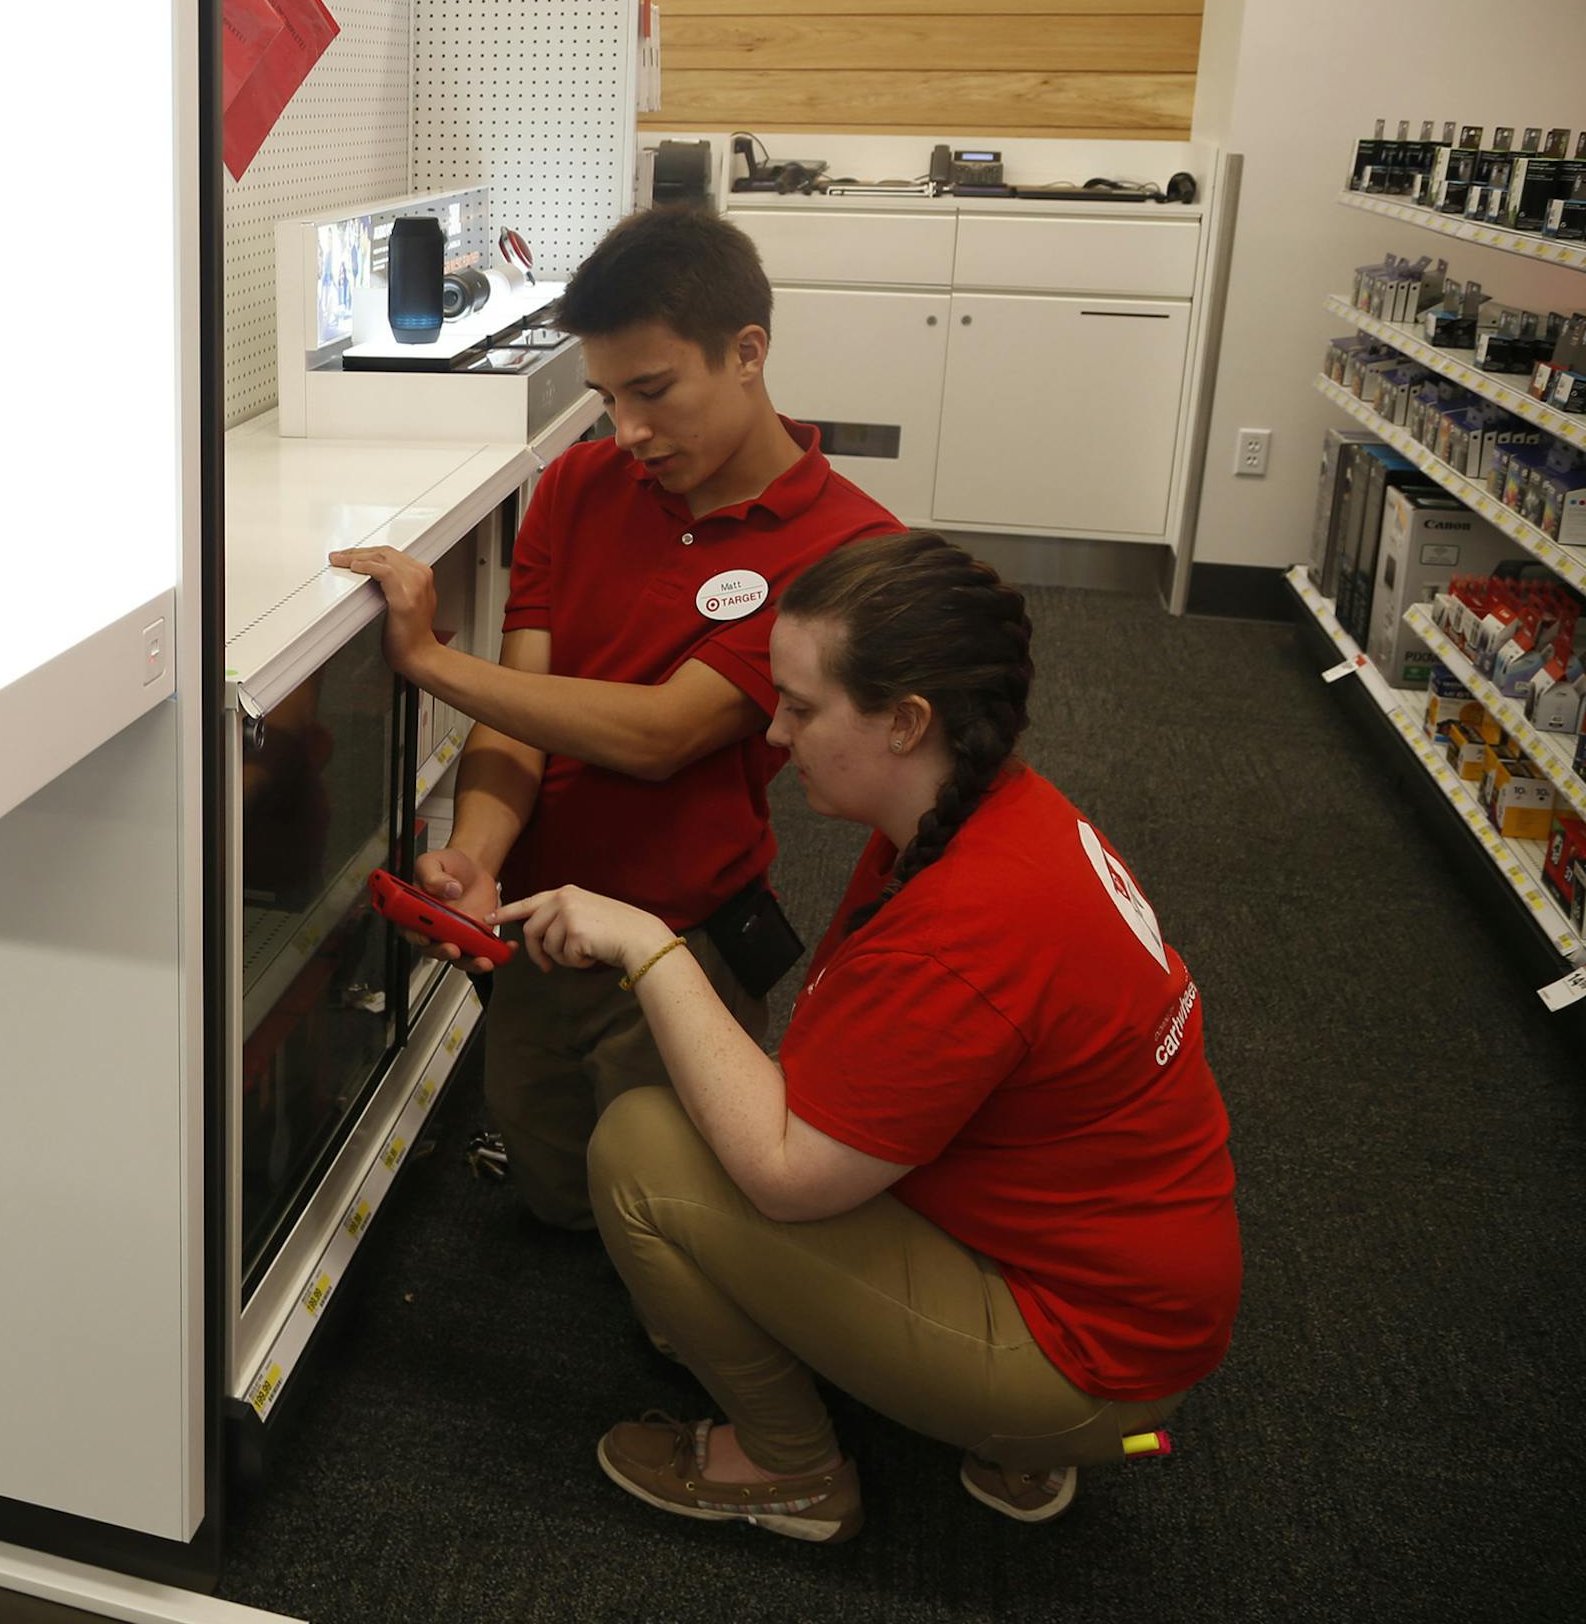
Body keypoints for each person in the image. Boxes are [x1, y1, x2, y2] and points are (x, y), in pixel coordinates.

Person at [493, 530, 1242, 1544]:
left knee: (641, 1148)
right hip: (1127, 1280)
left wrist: (647, 945)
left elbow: (784, 1174)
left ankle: (791, 1470)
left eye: (802, 708)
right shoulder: (992, 815)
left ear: (907, 721)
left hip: (1090, 1363)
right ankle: (1008, 1427)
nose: (773, 733)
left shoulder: (963, 925)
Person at [329, 208, 901, 1229]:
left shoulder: (847, 547)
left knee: (677, 1216)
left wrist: (429, 661)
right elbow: (522, 715)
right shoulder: (578, 486)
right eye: (606, 397)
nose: (628, 429)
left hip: (680, 940)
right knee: (557, 1190)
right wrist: (476, 859)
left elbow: (661, 735)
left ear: (748, 354)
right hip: (542, 922)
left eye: (653, 390)